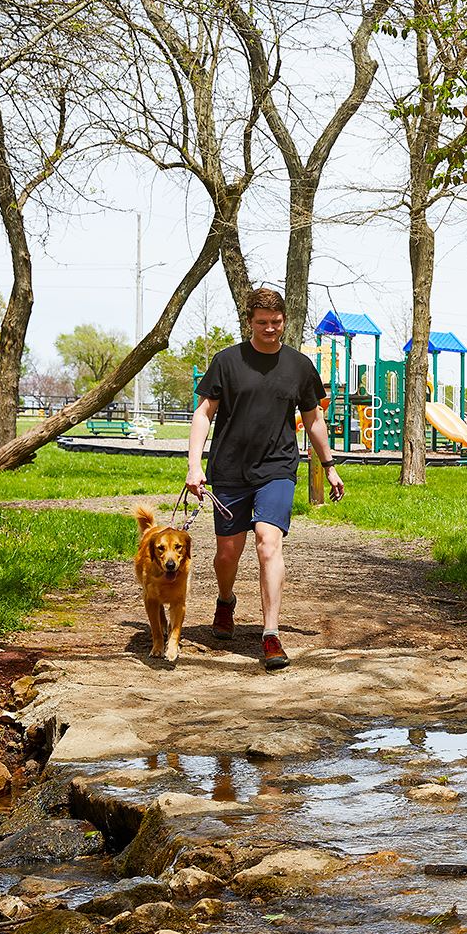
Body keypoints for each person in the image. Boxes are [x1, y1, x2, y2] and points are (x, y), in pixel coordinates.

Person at [186, 287, 344, 670]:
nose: (270, 329)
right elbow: (203, 413)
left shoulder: (299, 366)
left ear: (284, 320)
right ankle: (226, 600)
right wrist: (194, 465)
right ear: (249, 322)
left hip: (277, 468)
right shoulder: (227, 361)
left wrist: (329, 465)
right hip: (229, 469)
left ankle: (270, 634)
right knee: (227, 554)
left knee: (268, 544)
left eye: (276, 322)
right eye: (262, 323)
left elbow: (314, 419)